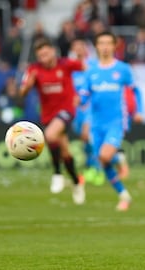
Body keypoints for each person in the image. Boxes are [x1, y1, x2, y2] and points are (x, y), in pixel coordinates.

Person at [19, 37, 86, 205]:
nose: (44, 58)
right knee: (65, 152)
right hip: (48, 115)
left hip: (66, 111)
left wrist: (80, 56)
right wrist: (28, 85)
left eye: (46, 54)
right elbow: (22, 92)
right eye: (40, 56)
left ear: (53, 52)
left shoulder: (66, 64)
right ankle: (77, 182)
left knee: (49, 135)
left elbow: (86, 68)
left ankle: (57, 174)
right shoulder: (34, 69)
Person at [84, 31, 143, 211]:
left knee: (103, 156)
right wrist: (79, 101)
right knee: (104, 162)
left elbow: (136, 91)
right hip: (96, 124)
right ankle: (124, 195)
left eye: (108, 43)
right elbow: (84, 95)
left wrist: (138, 111)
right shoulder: (90, 70)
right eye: (101, 43)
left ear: (114, 46)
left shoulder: (122, 69)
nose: (105, 47)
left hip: (116, 122)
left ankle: (118, 157)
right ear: (96, 46)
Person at [69, 38, 104, 186]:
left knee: (90, 137)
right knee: (85, 141)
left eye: (81, 46)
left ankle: (98, 170)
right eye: (75, 47)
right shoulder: (70, 69)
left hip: (90, 109)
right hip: (76, 111)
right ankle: (92, 168)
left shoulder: (93, 66)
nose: (78, 50)